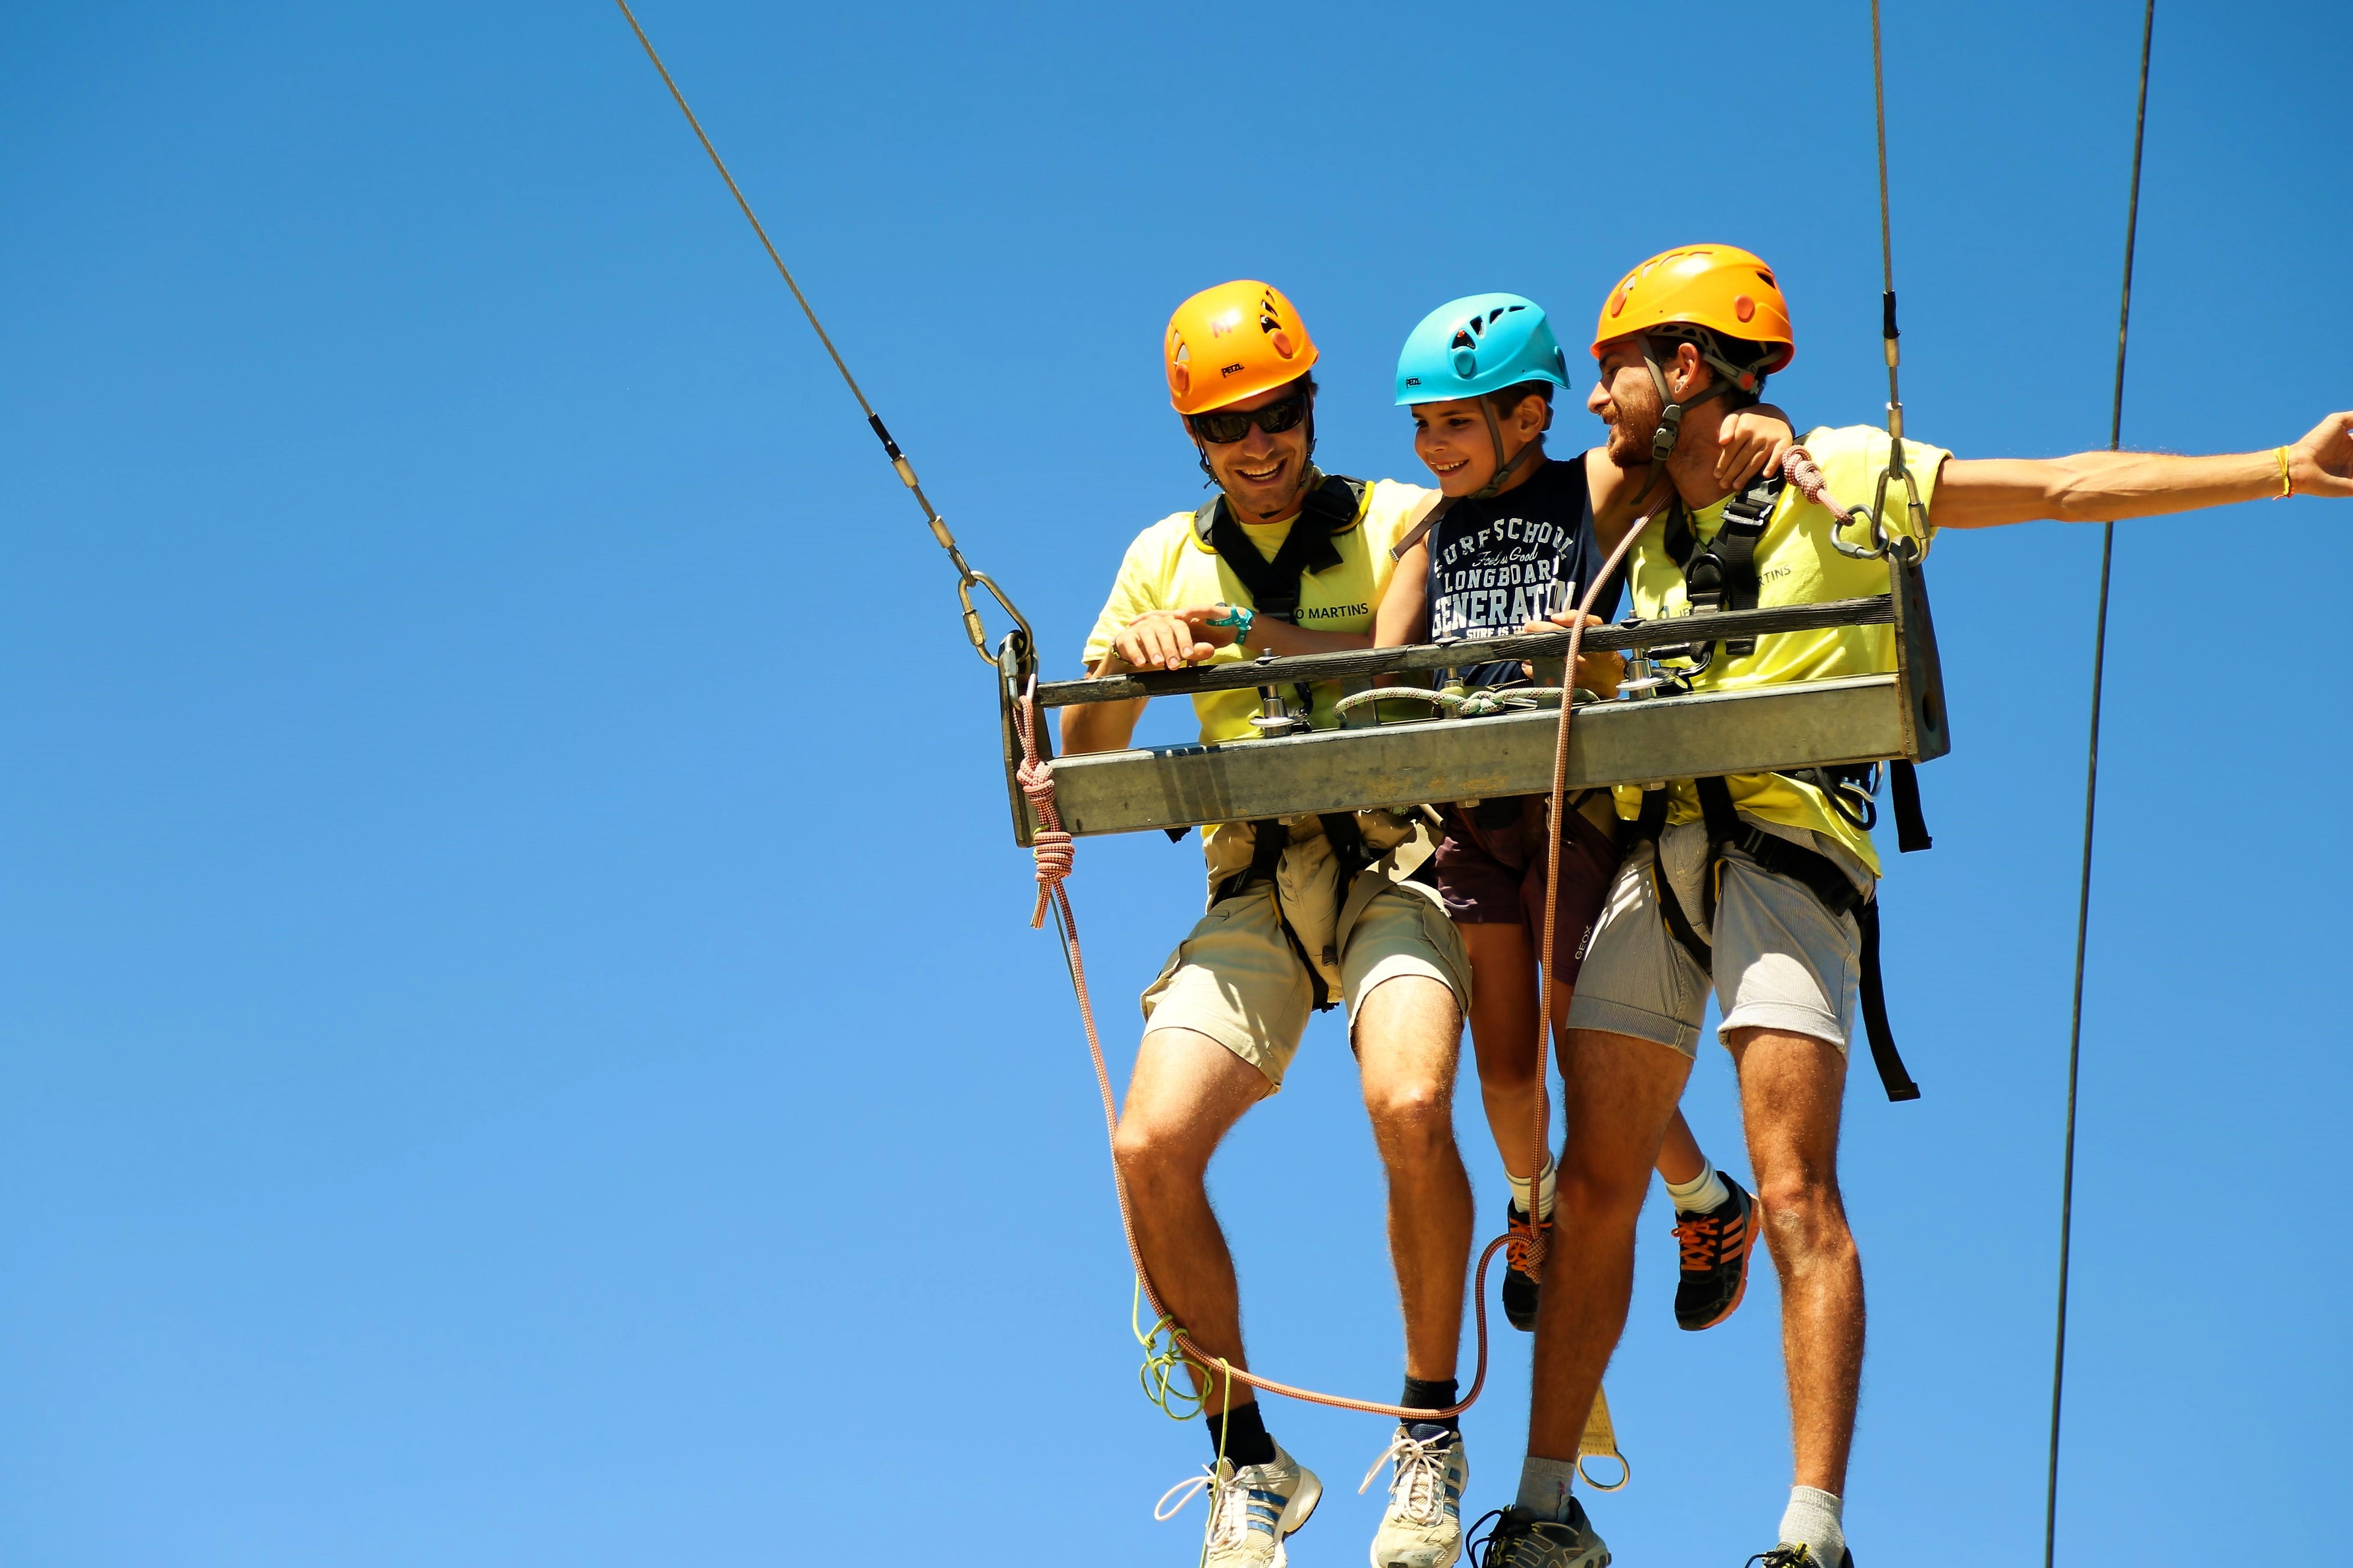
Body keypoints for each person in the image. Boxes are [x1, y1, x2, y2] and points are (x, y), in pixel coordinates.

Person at [1477, 242, 2353, 1568]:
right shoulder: (1635, 517)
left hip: (1785, 851)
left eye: (1614, 374)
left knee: (1793, 1186)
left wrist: (2283, 467)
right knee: (1598, 1180)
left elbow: (2063, 489)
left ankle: (1810, 1531)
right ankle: (1542, 1513)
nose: (1598, 401)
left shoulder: (1847, 470)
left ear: (1687, 363)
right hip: (1664, 862)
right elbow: (1538, 505)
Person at [1064, 279, 1477, 1568]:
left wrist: (1240, 639)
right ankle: (1249, 1458)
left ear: (1312, 407)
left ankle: (1426, 1436)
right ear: (1196, 440)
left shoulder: (1398, 520)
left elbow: (1413, 672)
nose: (1262, 444)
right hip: (1259, 878)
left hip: (1401, 854)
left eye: (1281, 413)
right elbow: (1083, 757)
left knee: (1409, 1104)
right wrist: (1133, 672)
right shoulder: (1159, 557)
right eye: (1232, 426)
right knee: (1146, 1148)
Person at [1373, 293, 1795, 1344]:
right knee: (1504, 1062)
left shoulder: (1596, 484)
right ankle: (1532, 1200)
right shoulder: (1426, 536)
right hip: (1470, 814)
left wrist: (1770, 430)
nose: (1433, 446)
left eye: (1455, 422)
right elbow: (1377, 676)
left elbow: (1701, 456)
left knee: (1577, 1036)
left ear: (1527, 417)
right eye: (1422, 426)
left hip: (1574, 799)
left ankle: (1704, 1204)